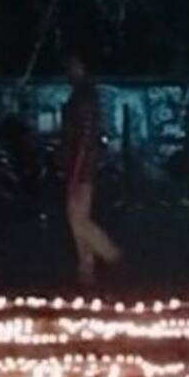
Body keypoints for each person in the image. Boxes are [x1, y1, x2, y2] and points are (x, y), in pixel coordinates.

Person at [62, 52, 122, 287]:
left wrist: (76, 169)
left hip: (81, 167)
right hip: (80, 165)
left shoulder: (83, 97)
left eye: (74, 65)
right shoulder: (84, 95)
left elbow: (84, 136)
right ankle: (86, 268)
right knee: (77, 218)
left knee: (77, 218)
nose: (69, 71)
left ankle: (108, 252)